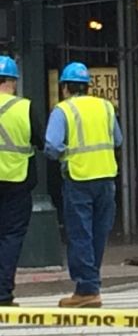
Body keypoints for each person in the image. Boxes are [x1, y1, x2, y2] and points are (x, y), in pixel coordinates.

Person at [45, 62, 123, 309]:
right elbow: (118, 139)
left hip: (79, 179)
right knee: (98, 234)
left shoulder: (63, 110)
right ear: (87, 86)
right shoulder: (105, 107)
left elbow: (51, 146)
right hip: (106, 178)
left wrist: (66, 155)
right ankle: (90, 283)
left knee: (80, 234)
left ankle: (87, 289)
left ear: (65, 87)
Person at [0, 57, 43, 307]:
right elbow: (39, 139)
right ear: (13, 81)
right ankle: (3, 293)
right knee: (11, 236)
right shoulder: (24, 107)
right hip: (17, 180)